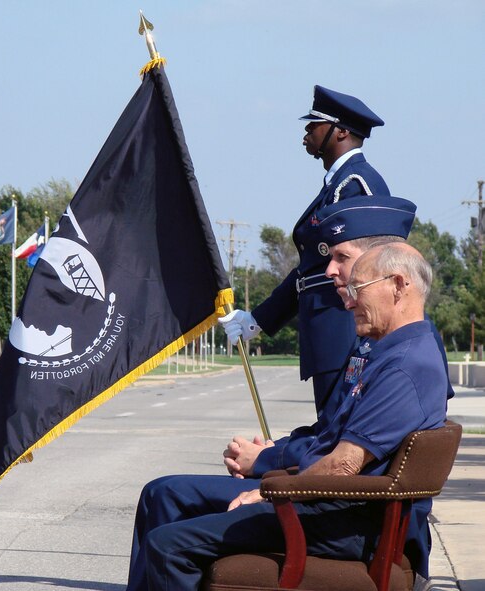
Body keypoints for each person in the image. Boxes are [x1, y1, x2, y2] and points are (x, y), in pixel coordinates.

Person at [127, 196, 451, 589]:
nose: (348, 298)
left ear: (399, 286)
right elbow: (332, 441)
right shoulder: (391, 349)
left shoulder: (406, 363)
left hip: (341, 519)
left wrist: (271, 494)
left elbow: (344, 465)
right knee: (164, 503)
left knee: (168, 545)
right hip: (331, 504)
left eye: (358, 286)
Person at [220, 85, 389, 410]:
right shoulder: (338, 186)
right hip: (325, 329)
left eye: (315, 124)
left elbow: (370, 265)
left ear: (340, 131)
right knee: (329, 428)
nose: (307, 130)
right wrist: (258, 318)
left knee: (338, 433)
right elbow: (309, 271)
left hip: (343, 327)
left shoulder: (356, 186)